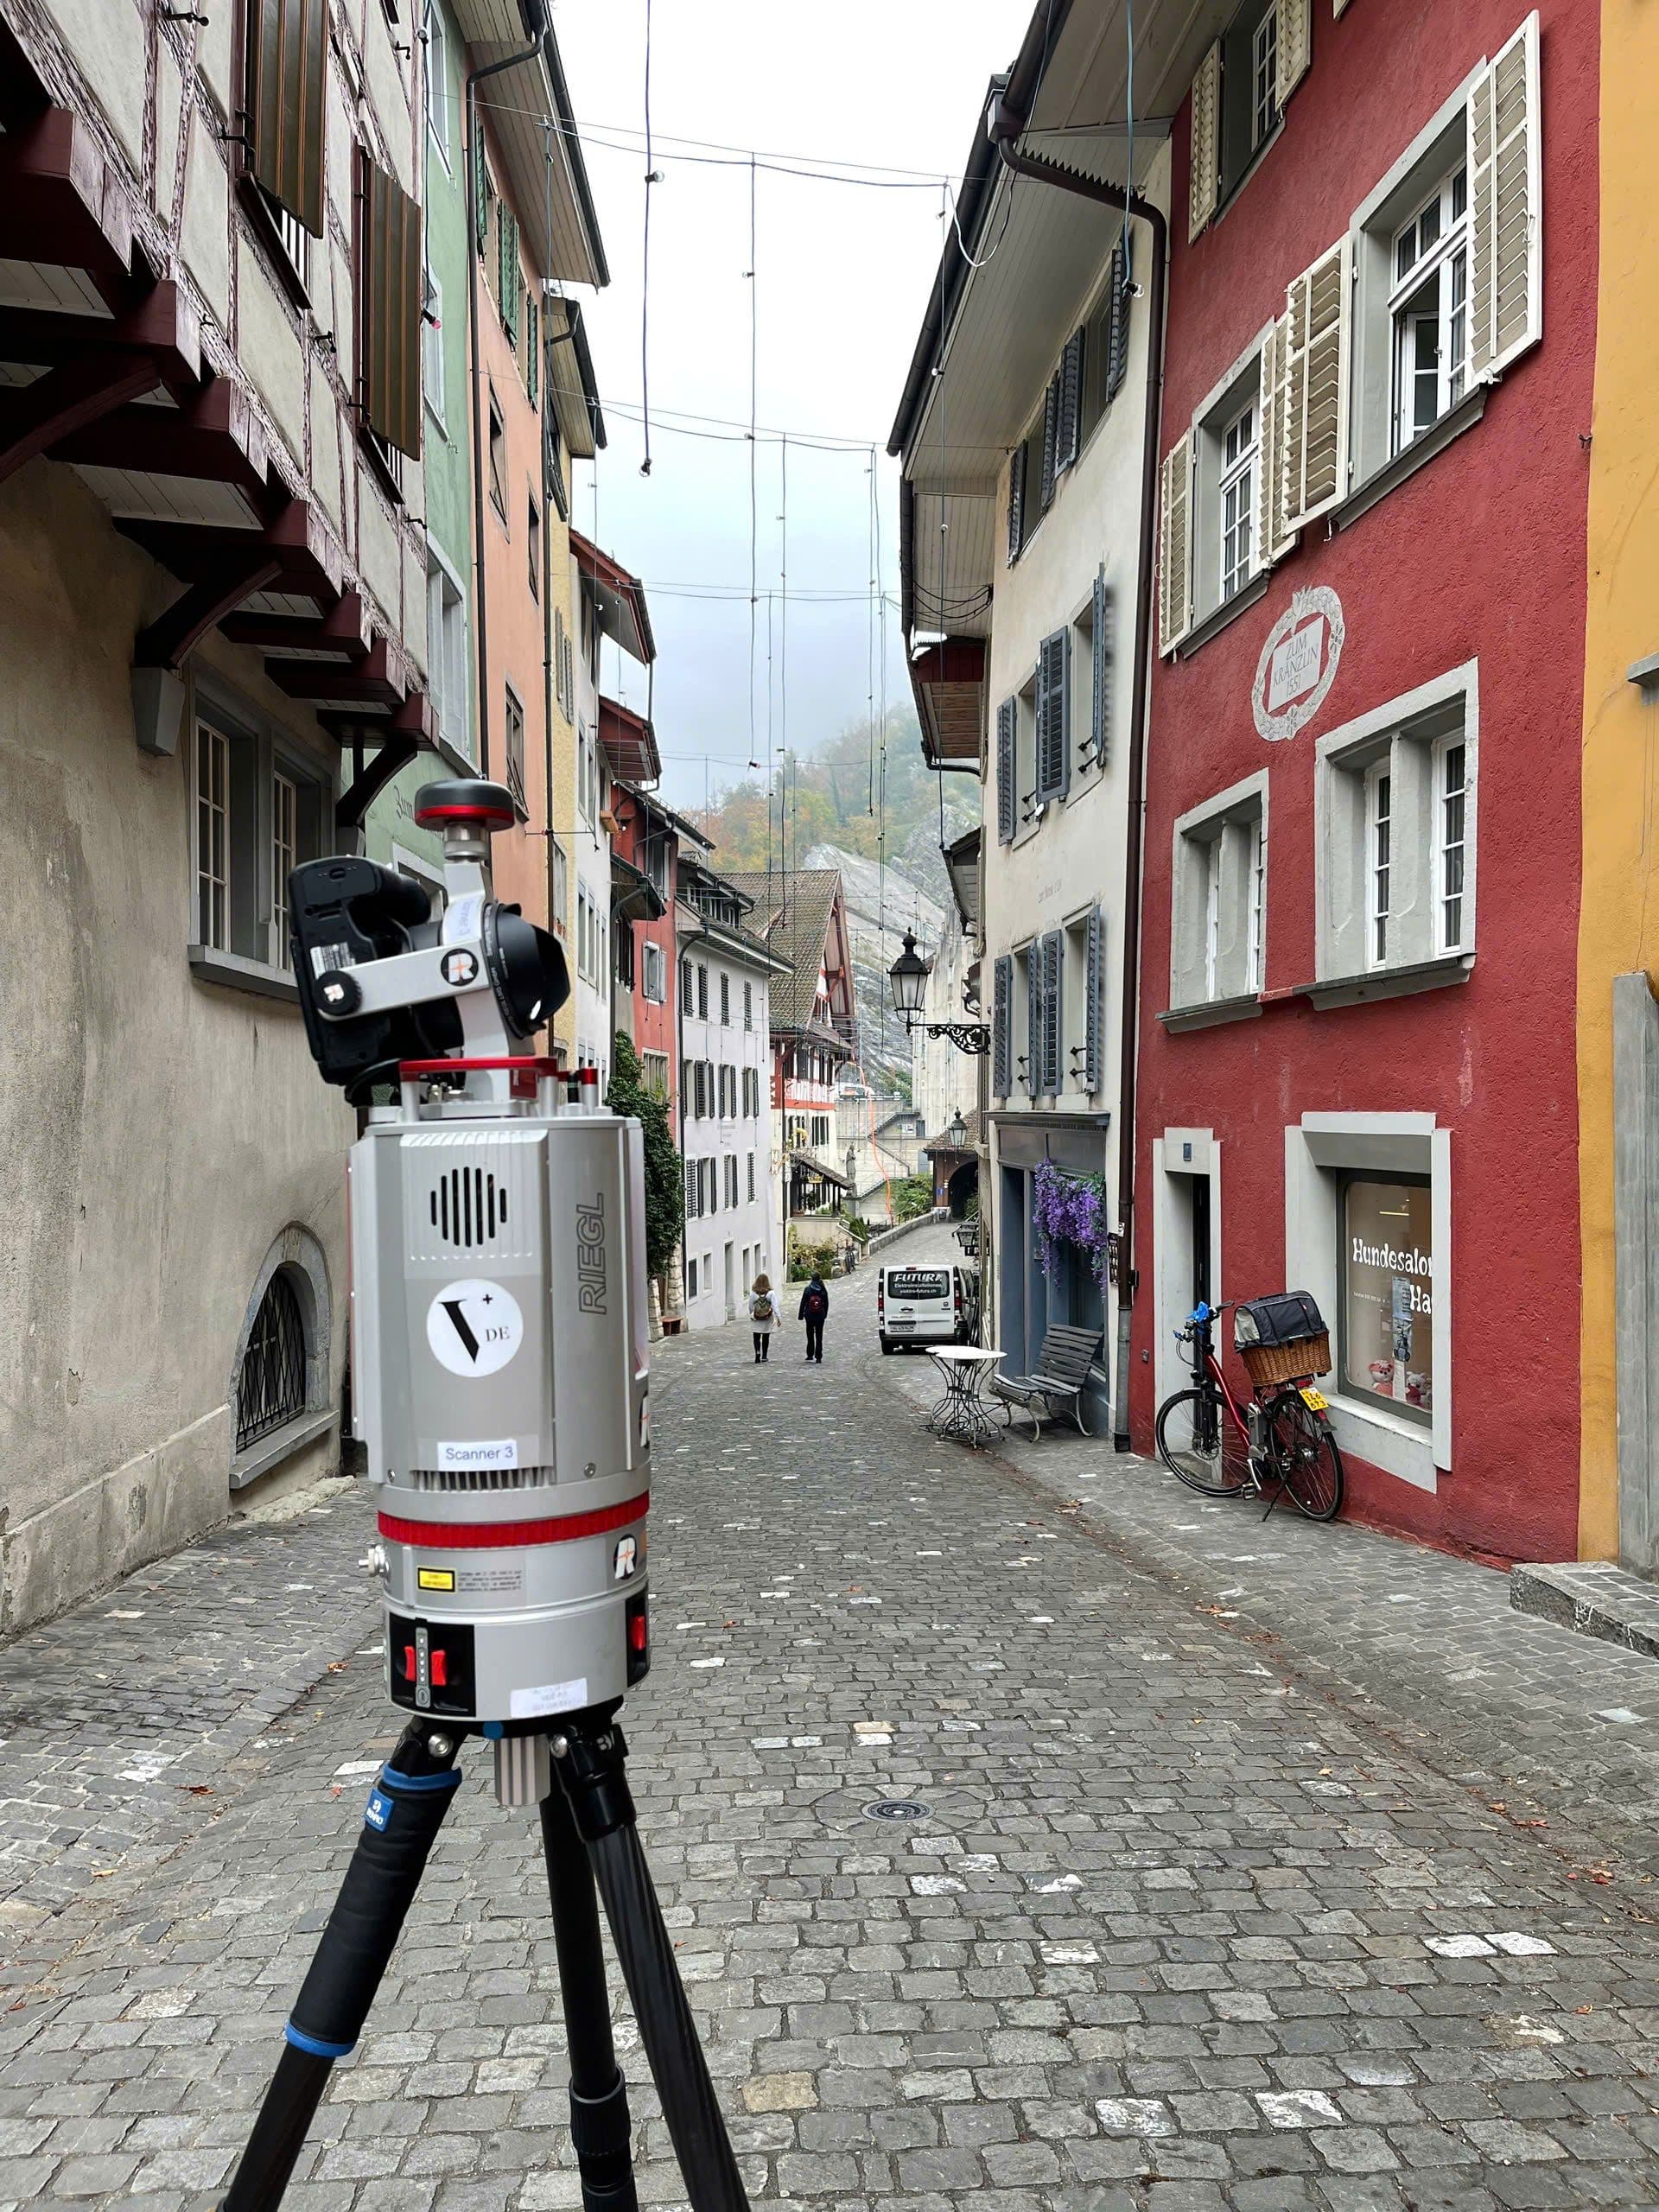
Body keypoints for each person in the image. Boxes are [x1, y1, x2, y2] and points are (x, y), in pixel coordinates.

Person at [798, 1271, 829, 1363]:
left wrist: (800, 1315)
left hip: (809, 1314)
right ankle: (818, 1356)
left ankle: (810, 1354)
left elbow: (803, 1302)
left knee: (810, 1334)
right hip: (820, 1315)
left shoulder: (808, 1289)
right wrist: (825, 1314)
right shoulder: (823, 1289)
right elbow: (826, 1303)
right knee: (819, 1336)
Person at [747, 1273, 777, 1363]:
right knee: (766, 1336)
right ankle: (764, 1355)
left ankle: (757, 1352)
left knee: (756, 1336)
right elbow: (775, 1306)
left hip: (756, 1317)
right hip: (767, 1317)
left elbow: (750, 1306)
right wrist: (778, 1317)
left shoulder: (753, 1293)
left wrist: (752, 1313)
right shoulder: (771, 1293)